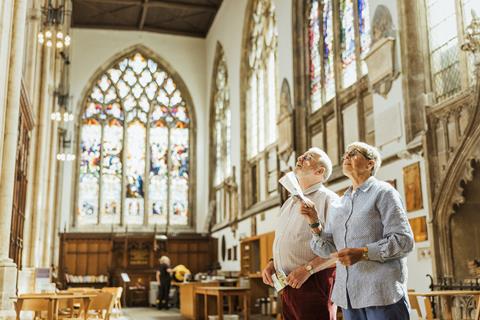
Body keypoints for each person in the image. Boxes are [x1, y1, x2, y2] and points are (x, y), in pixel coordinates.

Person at [301, 142, 414, 320]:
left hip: (381, 293)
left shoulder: (384, 192)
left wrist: (363, 253)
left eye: (353, 153)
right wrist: (314, 223)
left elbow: (404, 241)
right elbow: (327, 250)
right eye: (345, 153)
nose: (346, 156)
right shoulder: (338, 204)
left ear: (370, 164)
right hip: (349, 297)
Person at [261, 147, 339, 320]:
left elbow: (339, 249)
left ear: (319, 171)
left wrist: (307, 270)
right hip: (288, 283)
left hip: (313, 281)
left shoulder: (328, 199)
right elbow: (285, 239)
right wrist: (272, 263)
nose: (302, 157)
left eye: (309, 157)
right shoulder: (290, 201)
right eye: (303, 154)